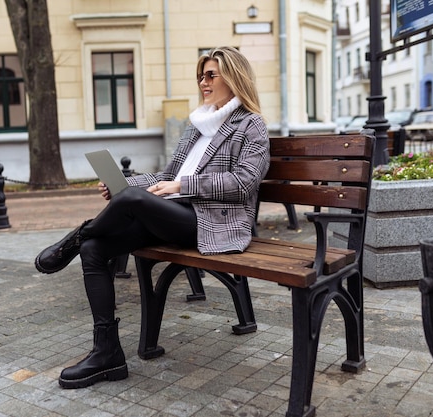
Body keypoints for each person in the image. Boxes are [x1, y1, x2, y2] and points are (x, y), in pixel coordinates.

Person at [35, 46, 270, 389]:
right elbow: (166, 175)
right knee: (96, 250)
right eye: (200, 76)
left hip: (211, 223)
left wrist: (181, 185)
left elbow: (244, 182)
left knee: (126, 206)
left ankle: (76, 237)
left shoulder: (251, 126)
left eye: (211, 75)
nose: (203, 82)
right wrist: (125, 183)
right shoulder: (198, 126)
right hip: (173, 215)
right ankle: (107, 353)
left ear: (234, 78)